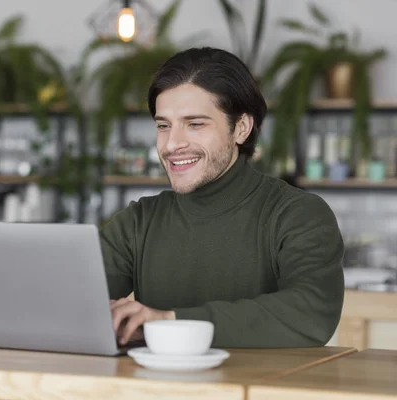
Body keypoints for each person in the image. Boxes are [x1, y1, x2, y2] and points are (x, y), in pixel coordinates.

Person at [100, 47, 345, 349]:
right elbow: (72, 299)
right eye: (163, 125)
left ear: (241, 127)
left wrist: (169, 322)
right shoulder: (137, 222)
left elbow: (311, 312)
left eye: (195, 124)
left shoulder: (298, 214)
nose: (172, 144)